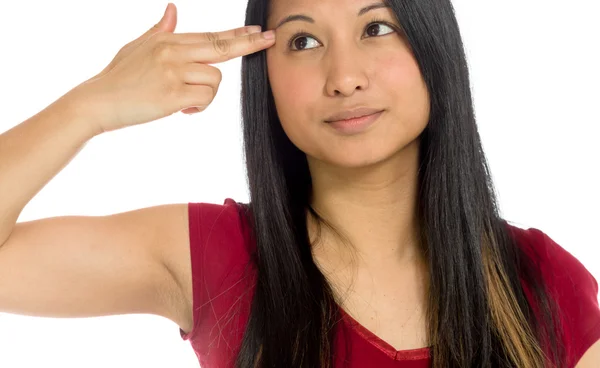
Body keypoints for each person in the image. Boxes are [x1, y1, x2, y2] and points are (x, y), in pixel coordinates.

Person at [0, 1, 598, 367]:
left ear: (433, 42)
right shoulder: (218, 257)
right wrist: (91, 106)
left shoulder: (542, 282)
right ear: (264, 73)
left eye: (377, 27)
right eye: (303, 41)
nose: (343, 77)